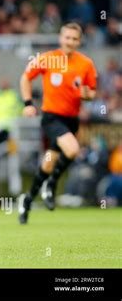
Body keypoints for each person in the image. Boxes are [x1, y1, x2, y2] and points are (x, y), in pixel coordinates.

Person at [18, 23, 97, 224]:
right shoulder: (47, 58)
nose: (70, 41)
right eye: (67, 37)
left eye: (74, 38)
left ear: (79, 42)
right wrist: (28, 104)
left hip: (72, 119)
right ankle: (51, 185)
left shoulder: (85, 64)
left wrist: (86, 94)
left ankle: (27, 201)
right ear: (61, 38)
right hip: (51, 117)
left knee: (48, 163)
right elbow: (26, 78)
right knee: (72, 150)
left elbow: (91, 92)